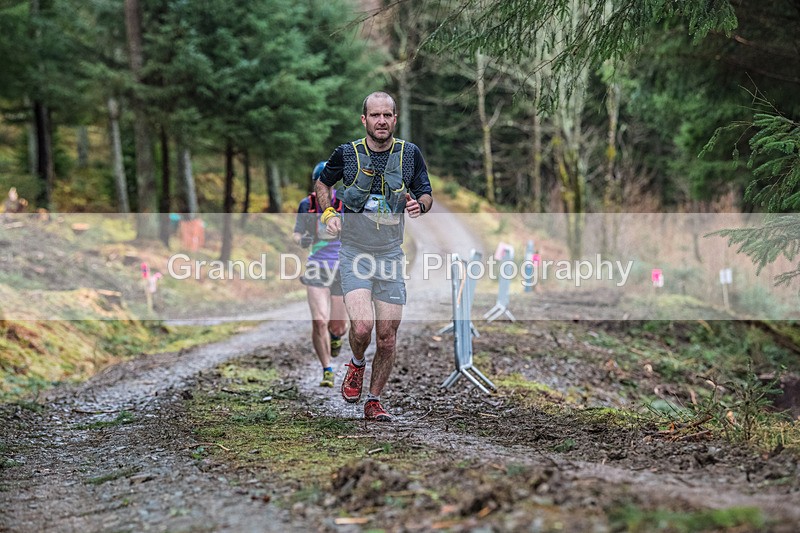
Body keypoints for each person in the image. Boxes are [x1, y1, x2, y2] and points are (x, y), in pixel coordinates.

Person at [315, 91, 433, 421]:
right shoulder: (347, 154)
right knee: (363, 327)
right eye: (375, 115)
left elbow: (426, 192)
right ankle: (356, 363)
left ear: (395, 119)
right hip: (354, 251)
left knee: (387, 337)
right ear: (364, 119)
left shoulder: (409, 154)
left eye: (387, 115)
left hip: (391, 255)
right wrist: (328, 214)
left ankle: (374, 399)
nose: (381, 121)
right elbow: (322, 185)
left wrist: (419, 205)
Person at [293, 161, 348, 387]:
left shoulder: (343, 203)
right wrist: (303, 240)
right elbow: (296, 234)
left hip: (341, 267)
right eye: (318, 183)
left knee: (338, 327)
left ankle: (335, 338)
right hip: (316, 265)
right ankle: (327, 370)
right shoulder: (306, 205)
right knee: (319, 321)